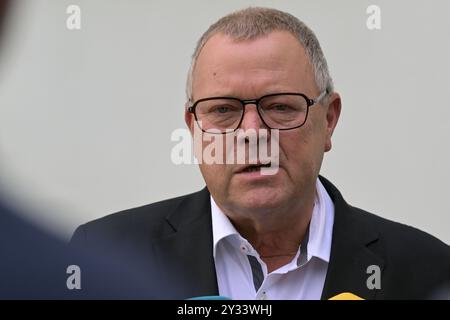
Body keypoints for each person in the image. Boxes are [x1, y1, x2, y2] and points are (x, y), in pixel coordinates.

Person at [71, 7, 450, 300]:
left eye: (281, 107)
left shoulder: (427, 271)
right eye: (223, 111)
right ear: (193, 127)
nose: (252, 133)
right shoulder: (104, 257)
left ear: (329, 120)